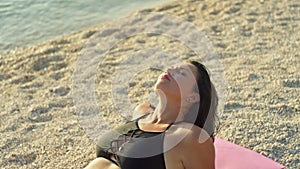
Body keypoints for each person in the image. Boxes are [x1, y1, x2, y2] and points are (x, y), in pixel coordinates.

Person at [85, 60, 218, 169]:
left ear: (193, 97)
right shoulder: (141, 112)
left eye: (181, 73)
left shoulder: (189, 136)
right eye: (172, 67)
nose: (170, 70)